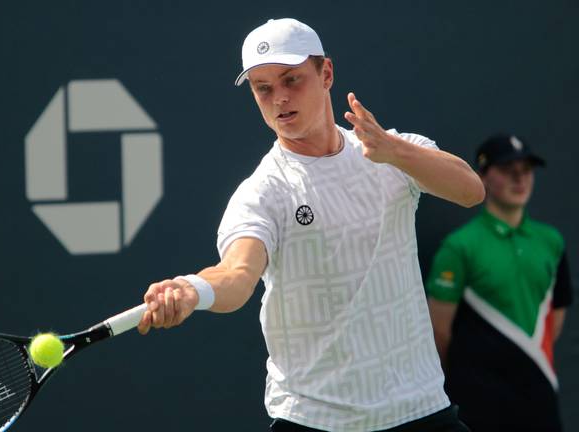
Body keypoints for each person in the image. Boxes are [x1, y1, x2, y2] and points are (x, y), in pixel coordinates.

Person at [137, 18, 484, 431]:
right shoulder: (262, 192)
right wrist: (192, 289)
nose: (279, 98)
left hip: (419, 409)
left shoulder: (391, 153)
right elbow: (236, 273)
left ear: (327, 75)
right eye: (263, 88)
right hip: (315, 419)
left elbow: (470, 191)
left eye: (291, 80)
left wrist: (394, 151)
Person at [426, 133, 573, 431]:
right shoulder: (460, 246)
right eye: (508, 169)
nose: (520, 179)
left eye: (526, 169)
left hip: (539, 398)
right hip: (479, 405)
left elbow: (554, 320)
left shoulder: (552, 242)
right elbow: (439, 331)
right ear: (483, 176)